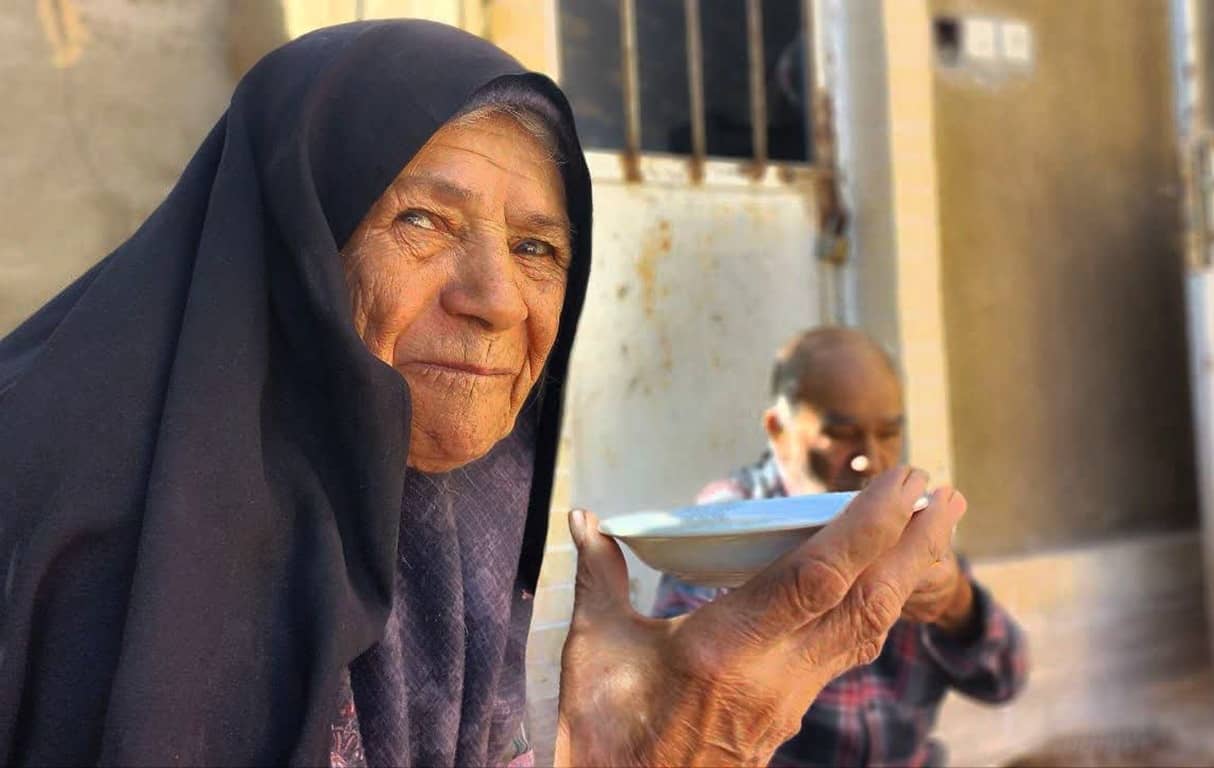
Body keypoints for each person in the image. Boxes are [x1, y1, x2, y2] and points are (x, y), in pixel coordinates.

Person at [0, 22, 967, 767]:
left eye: (538, 248)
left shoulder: (441, 522)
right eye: (422, 219)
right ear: (292, 254)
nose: (498, 301)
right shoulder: (79, 527)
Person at [654, 327, 1029, 767]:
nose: (868, 458)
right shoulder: (727, 527)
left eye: (888, 432)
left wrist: (954, 603)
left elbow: (1005, 679)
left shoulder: (910, 516)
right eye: (842, 434)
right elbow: (684, 708)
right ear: (779, 430)